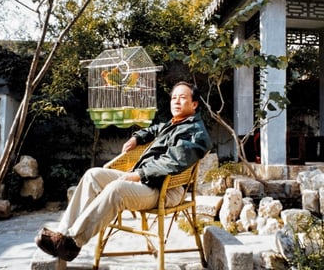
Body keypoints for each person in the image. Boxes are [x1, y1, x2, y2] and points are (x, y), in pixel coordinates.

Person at [35, 81, 212, 261]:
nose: (176, 102)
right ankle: (62, 235)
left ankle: (73, 242)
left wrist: (138, 175)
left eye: (182, 98)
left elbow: (173, 162)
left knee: (116, 189)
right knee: (92, 175)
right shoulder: (174, 124)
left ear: (194, 104)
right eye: (174, 98)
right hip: (145, 181)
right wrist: (137, 137)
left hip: (163, 190)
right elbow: (154, 129)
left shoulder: (195, 132)